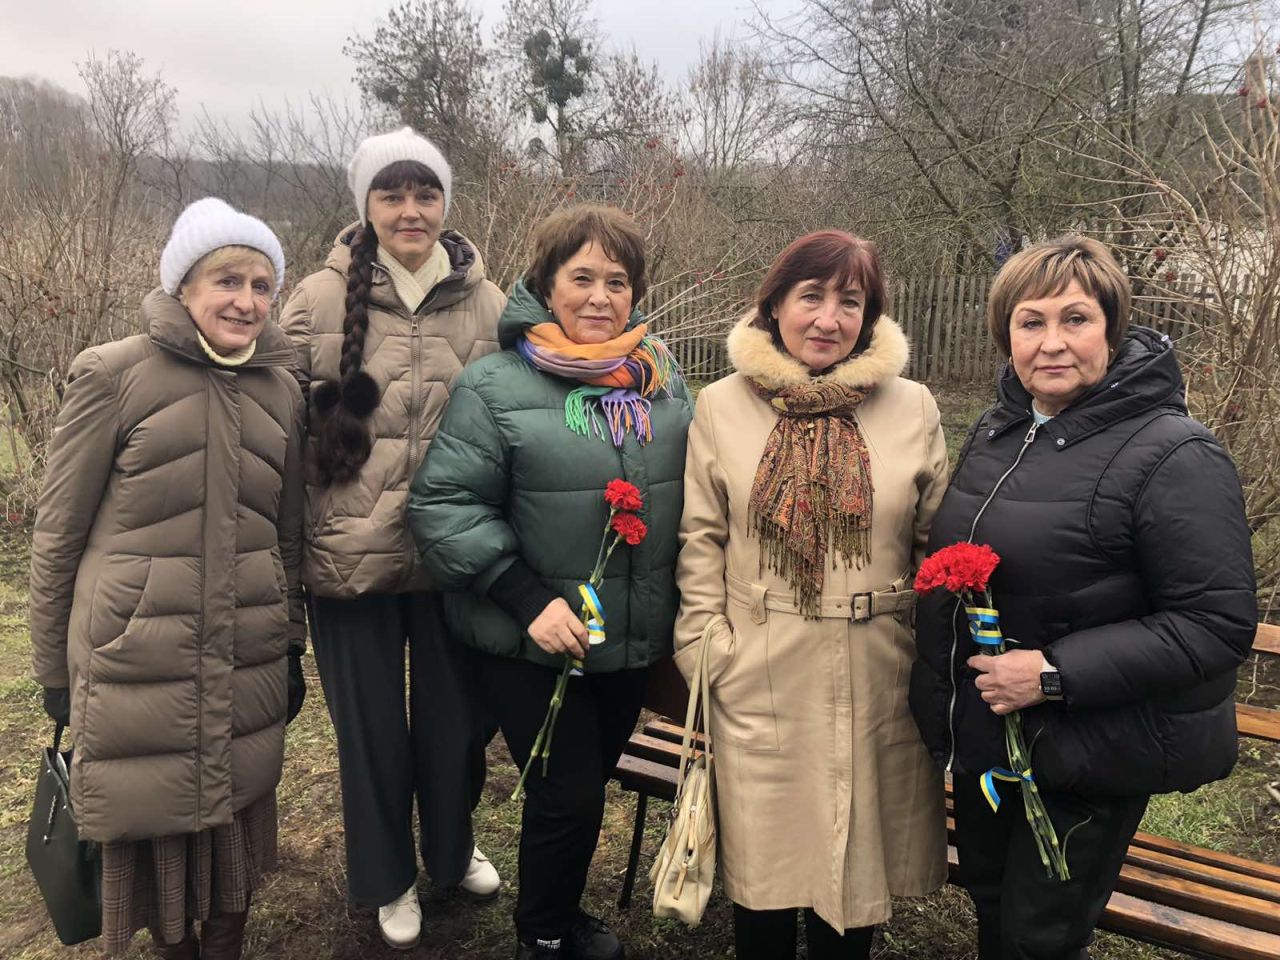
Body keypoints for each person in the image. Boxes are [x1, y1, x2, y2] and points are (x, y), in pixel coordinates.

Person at [909, 236, 1257, 960]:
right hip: (990, 739)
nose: (1052, 343)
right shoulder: (1002, 432)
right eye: (1031, 322)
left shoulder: (1173, 452)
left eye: (1076, 319)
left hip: (1087, 752)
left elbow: (1214, 623)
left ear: (1112, 329)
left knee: (1039, 935)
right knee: (993, 903)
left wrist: (1053, 674)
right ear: (1006, 335)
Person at [407, 204, 692, 960]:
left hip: (626, 637)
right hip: (530, 640)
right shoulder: (495, 386)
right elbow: (442, 506)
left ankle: (555, 914)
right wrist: (528, 600)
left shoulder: (662, 383)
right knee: (567, 791)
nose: (600, 297)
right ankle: (546, 931)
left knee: (586, 781)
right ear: (545, 284)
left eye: (617, 282)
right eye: (582, 278)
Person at [29, 198, 305, 959]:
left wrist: (290, 642)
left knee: (234, 839)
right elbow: (57, 536)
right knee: (158, 843)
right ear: (184, 286)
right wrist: (53, 668)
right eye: (227, 281)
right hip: (138, 658)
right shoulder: (113, 375)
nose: (245, 302)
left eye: (261, 285)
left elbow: (286, 535)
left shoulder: (282, 390)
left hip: (245, 651)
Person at [674, 230, 949, 960]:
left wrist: (926, 650)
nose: (829, 319)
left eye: (849, 302)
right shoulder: (722, 406)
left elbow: (933, 543)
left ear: (870, 314)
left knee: (856, 872)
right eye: (812, 297)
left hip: (877, 669)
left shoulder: (913, 407)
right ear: (775, 305)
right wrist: (707, 645)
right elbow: (701, 538)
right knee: (766, 868)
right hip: (760, 665)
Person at [279, 127, 505, 949]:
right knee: (370, 734)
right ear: (366, 206)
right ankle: (388, 876)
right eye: (392, 194)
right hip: (347, 557)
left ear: (445, 203)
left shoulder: (488, 302)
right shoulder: (315, 300)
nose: (411, 210)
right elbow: (276, 430)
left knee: (457, 728)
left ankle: (450, 849)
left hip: (453, 559)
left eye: (425, 193)